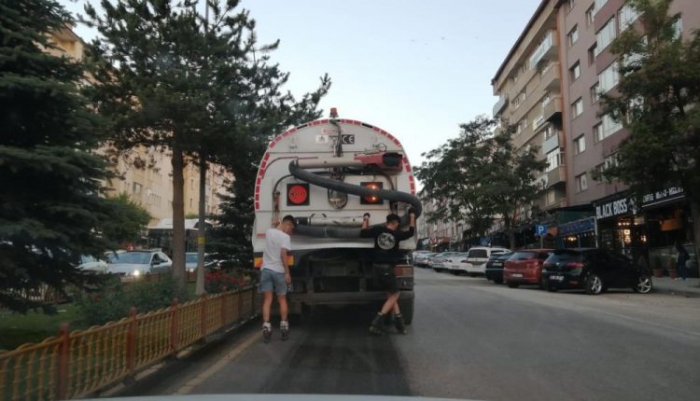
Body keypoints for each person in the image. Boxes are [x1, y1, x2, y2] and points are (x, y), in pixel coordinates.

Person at [360, 209, 416, 335]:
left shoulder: (378, 230)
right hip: (386, 268)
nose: (398, 226)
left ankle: (399, 324)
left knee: (390, 295)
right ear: (395, 222)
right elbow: (411, 232)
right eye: (397, 224)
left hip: (375, 268)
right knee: (395, 294)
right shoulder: (396, 235)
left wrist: (366, 218)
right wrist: (412, 215)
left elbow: (363, 232)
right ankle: (377, 321)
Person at [260, 215, 295, 342]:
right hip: (279, 271)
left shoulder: (269, 232)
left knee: (268, 299)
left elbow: (276, 227)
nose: (290, 231)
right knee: (281, 299)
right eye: (291, 229)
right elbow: (283, 254)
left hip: (266, 270)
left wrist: (277, 223)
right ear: (288, 226)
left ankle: (266, 327)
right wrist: (287, 273)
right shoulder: (285, 237)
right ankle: (284, 326)